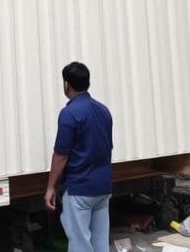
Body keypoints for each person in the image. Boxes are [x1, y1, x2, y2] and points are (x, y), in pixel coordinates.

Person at [45, 62, 114, 252]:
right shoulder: (103, 110)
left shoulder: (69, 113)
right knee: (100, 243)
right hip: (103, 187)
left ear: (66, 84)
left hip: (79, 188)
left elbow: (61, 155)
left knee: (79, 244)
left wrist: (51, 187)